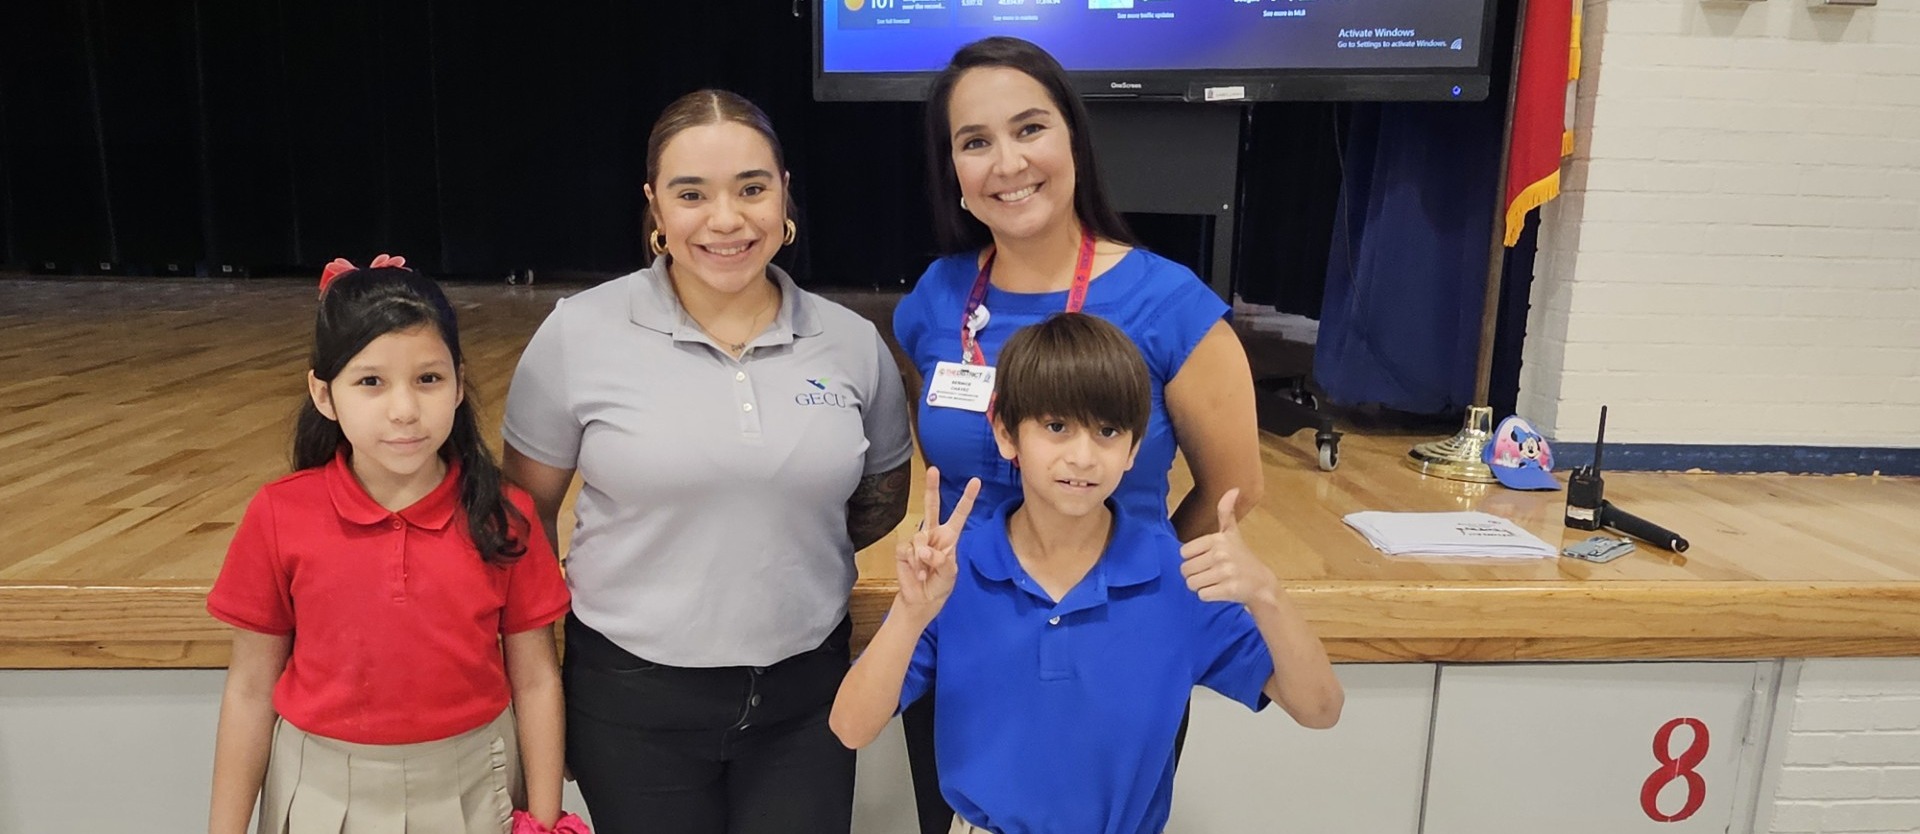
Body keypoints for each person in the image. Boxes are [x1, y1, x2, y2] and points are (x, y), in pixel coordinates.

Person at [501, 90, 915, 834]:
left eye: (752, 188)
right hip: (630, 703)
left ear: (786, 191)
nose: (727, 220)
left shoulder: (851, 343)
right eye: (692, 194)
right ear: (655, 206)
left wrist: (766, 544)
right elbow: (523, 516)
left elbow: (878, 499)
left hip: (807, 702)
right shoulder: (578, 335)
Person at [890, 36, 1268, 830]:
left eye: (1030, 129)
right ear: (952, 171)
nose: (1007, 162)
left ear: (1073, 141)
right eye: (974, 142)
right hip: (966, 643)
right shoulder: (936, 299)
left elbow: (1236, 489)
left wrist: (1142, 581)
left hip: (1110, 651)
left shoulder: (1169, 306)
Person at [831, 313, 1343, 834]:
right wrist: (910, 613)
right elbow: (851, 727)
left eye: (1107, 431)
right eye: (1056, 427)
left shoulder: (1176, 576)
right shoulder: (952, 572)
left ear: (1133, 450)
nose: (1082, 456)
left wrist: (1267, 595)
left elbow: (1320, 709)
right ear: (1007, 435)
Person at [207, 256, 574, 834]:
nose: (404, 410)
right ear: (324, 394)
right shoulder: (279, 514)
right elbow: (250, 690)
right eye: (370, 381)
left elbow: (535, 679)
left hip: (477, 783)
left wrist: (547, 820)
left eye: (428, 378)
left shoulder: (505, 517)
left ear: (458, 383)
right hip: (320, 789)